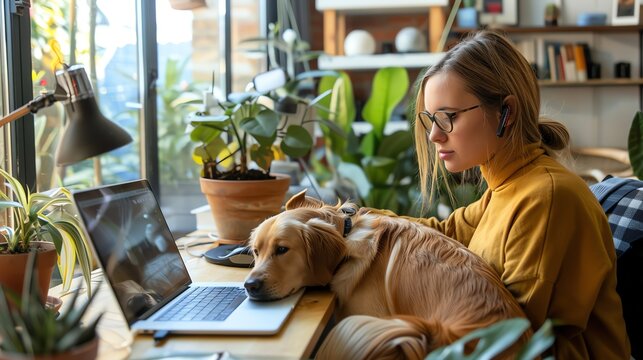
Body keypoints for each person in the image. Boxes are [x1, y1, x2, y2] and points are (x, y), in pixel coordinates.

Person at [407, 30, 630, 358]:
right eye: (430, 119)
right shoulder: (502, 190)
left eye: (448, 117)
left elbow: (511, 337)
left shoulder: (545, 198)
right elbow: (441, 234)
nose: (434, 135)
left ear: (505, 114)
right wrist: (346, 222)